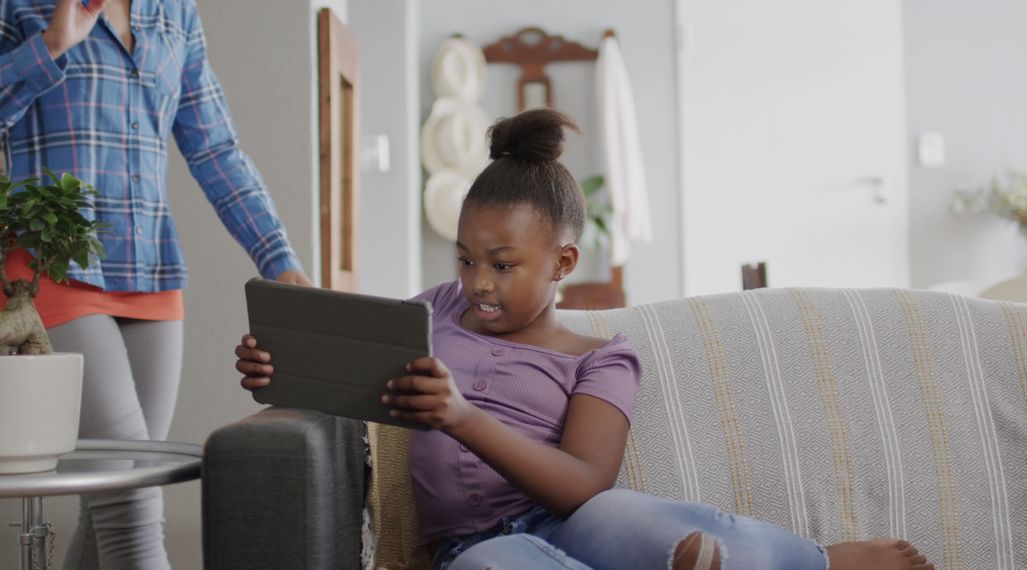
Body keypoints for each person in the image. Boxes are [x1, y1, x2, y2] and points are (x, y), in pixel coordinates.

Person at [235, 109, 934, 570]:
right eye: (466, 259)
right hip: (471, 546)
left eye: (503, 266)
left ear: (562, 264)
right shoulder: (435, 311)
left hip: (571, 519)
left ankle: (820, 561)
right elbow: (347, 353)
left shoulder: (601, 358)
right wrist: (279, 364)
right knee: (488, 568)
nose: (479, 283)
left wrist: (463, 418)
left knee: (657, 528)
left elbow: (583, 486)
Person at [1, 0, 310, 567]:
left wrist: (277, 257)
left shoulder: (174, 15)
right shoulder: (21, 6)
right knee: (133, 512)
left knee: (109, 510)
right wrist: (49, 46)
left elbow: (215, 148)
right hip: (54, 266)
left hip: (151, 272)